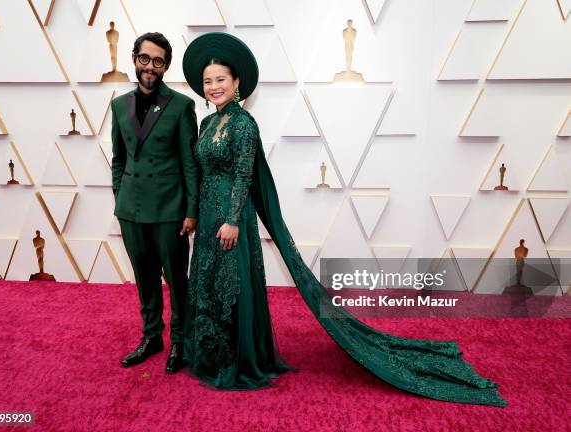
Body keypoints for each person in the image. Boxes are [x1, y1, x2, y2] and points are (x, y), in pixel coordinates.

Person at [181, 32, 506, 406]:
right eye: (208, 82)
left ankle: (238, 360)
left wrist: (233, 218)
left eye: (221, 79)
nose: (214, 86)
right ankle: (211, 354)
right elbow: (201, 171)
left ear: (237, 83)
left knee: (230, 286)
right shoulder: (207, 125)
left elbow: (243, 173)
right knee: (207, 283)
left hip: (229, 219)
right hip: (207, 217)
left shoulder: (244, 124)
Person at [111, 32, 199, 373]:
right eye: (145, 58)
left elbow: (190, 164)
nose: (150, 66)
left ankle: (180, 339)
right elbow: (119, 159)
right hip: (131, 210)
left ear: (166, 66)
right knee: (144, 277)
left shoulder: (181, 105)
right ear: (134, 58)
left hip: (169, 210)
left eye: (158, 61)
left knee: (177, 279)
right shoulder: (118, 105)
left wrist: (191, 210)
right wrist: (120, 194)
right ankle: (152, 336)